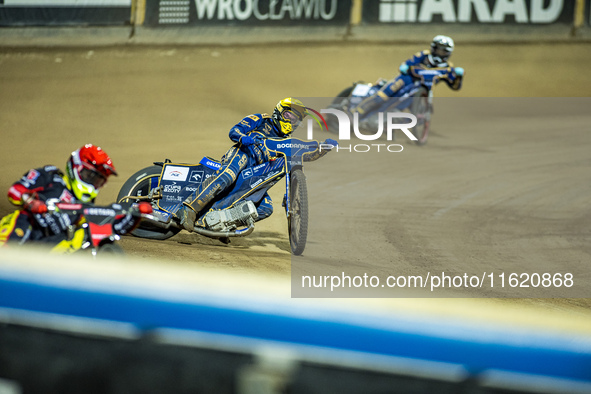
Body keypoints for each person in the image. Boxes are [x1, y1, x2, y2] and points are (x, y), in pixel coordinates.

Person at [178, 98, 335, 232]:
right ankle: (188, 209)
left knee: (266, 208)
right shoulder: (261, 119)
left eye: (296, 120)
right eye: (289, 116)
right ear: (279, 112)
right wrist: (242, 137)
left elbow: (305, 154)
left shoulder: (287, 142)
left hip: (255, 174)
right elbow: (235, 130)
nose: (291, 122)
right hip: (242, 155)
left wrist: (323, 149)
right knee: (227, 176)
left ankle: (221, 225)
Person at [0, 144, 143, 246]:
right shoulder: (50, 177)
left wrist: (137, 215)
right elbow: (15, 191)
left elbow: (111, 226)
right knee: (21, 224)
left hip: (48, 244)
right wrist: (31, 203)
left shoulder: (84, 207)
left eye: (98, 180)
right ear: (75, 167)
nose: (93, 182)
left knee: (84, 235)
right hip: (24, 227)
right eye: (90, 175)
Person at [353, 35, 464, 117]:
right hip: (406, 80)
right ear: (433, 48)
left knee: (409, 108)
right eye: (438, 49)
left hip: (421, 91)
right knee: (383, 96)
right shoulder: (423, 55)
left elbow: (455, 86)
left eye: (443, 51)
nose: (439, 53)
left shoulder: (448, 68)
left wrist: (459, 77)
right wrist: (405, 67)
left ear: (448, 53)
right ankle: (357, 112)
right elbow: (407, 63)